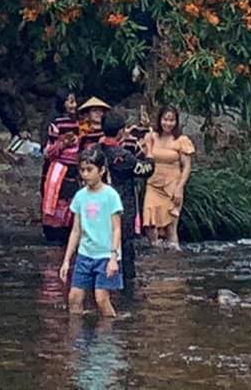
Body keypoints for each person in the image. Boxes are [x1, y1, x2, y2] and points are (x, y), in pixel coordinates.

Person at [59, 151, 123, 320]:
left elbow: (117, 228)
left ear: (101, 171)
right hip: (85, 254)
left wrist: (113, 257)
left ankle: (109, 334)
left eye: (89, 170)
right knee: (74, 298)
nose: (85, 174)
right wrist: (66, 260)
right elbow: (76, 230)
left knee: (101, 299)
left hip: (105, 255)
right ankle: (76, 336)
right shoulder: (80, 197)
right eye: (82, 170)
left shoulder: (111, 196)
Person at [42, 97, 107, 244]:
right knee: (58, 203)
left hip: (82, 171)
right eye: (94, 111)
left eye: (100, 112)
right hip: (60, 170)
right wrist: (63, 144)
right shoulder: (58, 124)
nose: (98, 115)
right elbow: (48, 152)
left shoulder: (91, 128)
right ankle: (55, 235)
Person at [99, 109, 150, 291]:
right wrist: (147, 152)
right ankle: (126, 283)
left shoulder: (96, 151)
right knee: (125, 244)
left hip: (98, 204)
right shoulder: (123, 156)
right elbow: (146, 170)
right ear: (121, 131)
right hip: (122, 204)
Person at [140, 105, 195, 249]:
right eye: (165, 119)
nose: (168, 123)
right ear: (160, 120)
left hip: (172, 185)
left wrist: (179, 188)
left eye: (172, 120)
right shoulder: (152, 137)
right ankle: (155, 252)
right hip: (153, 184)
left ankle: (173, 259)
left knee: (171, 227)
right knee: (150, 223)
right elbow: (143, 154)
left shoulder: (181, 140)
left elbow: (187, 166)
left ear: (176, 122)